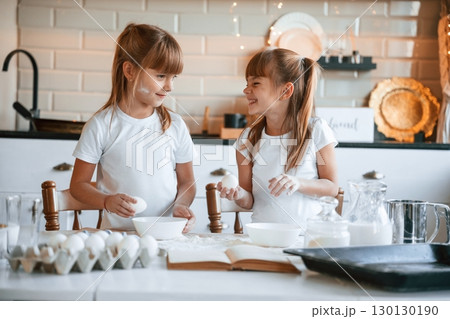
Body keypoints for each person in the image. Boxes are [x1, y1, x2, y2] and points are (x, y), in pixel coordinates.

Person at [70, 23, 196, 232]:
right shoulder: (101, 126)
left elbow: (188, 181)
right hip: (116, 237)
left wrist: (181, 204)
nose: (170, 86)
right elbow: (78, 186)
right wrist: (106, 201)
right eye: (161, 76)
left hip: (164, 235)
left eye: (173, 77)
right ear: (129, 70)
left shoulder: (175, 125)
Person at [217, 48, 338, 229]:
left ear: (285, 91)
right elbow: (249, 200)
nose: (246, 90)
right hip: (262, 236)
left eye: (255, 83)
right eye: (247, 83)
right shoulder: (247, 139)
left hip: (307, 238)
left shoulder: (316, 131)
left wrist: (298, 183)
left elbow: (332, 188)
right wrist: (238, 195)